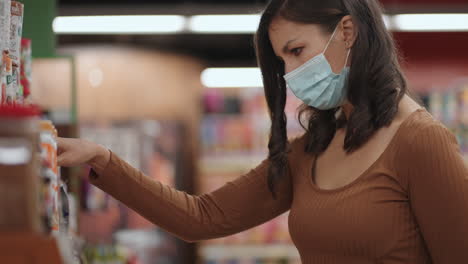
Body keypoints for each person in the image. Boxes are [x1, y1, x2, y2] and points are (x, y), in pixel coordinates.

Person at [57, 0, 468, 263]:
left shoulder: (420, 141)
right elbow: (202, 217)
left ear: (347, 32)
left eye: (296, 51)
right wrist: (102, 160)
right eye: (281, 60)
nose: (289, 74)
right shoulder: (312, 149)